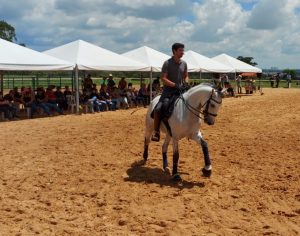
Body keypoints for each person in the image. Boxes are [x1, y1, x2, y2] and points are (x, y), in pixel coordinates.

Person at [151, 43, 189, 142]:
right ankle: (156, 132)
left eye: (183, 50)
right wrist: (174, 85)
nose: (183, 52)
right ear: (174, 51)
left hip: (181, 90)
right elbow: (163, 78)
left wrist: (186, 82)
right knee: (158, 109)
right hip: (168, 92)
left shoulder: (184, 63)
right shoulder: (167, 63)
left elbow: (186, 76)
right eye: (180, 50)